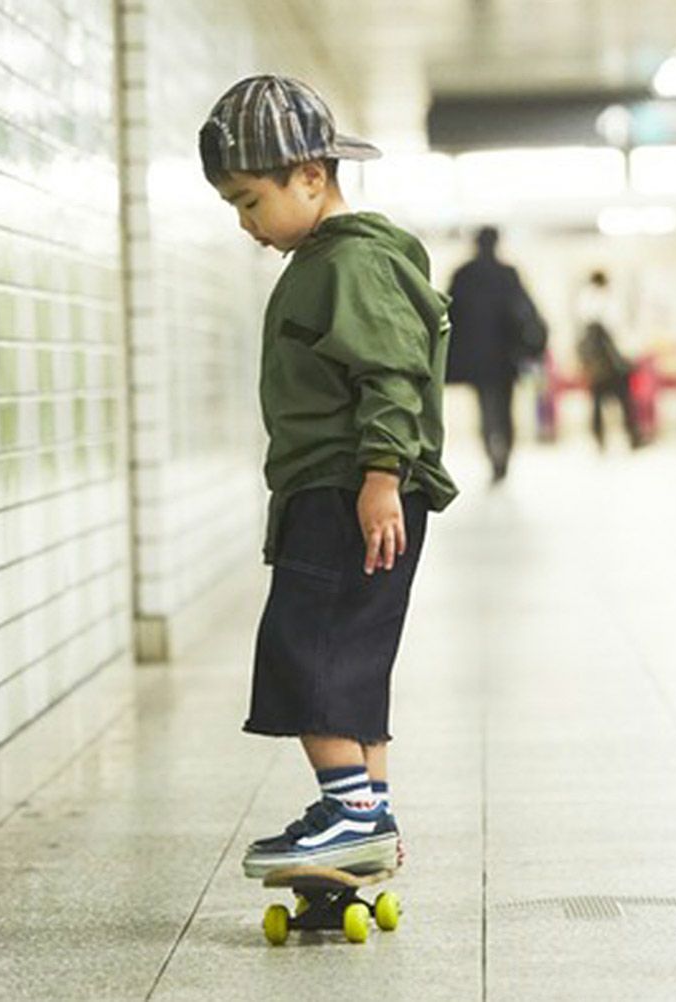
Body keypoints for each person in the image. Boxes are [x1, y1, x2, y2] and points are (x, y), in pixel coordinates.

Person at [198, 75, 458, 878]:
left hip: (347, 489)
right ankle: (369, 815)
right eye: (234, 206)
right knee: (351, 657)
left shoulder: (350, 263)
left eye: (250, 201)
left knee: (306, 649)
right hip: (350, 486)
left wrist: (381, 476)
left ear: (311, 176)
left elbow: (391, 373)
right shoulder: (335, 260)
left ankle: (349, 814)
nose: (246, 223)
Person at [446, 227, 546, 482]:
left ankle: (494, 455)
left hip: (476, 359)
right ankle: (503, 456)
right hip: (506, 357)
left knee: (486, 408)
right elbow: (527, 312)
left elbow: (449, 317)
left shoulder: (464, 275)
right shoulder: (507, 274)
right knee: (504, 408)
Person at [575, 270, 642, 449]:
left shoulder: (584, 302)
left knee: (598, 402)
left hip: (597, 365)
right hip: (613, 363)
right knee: (624, 400)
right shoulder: (606, 302)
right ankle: (632, 436)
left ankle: (600, 437)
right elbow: (618, 332)